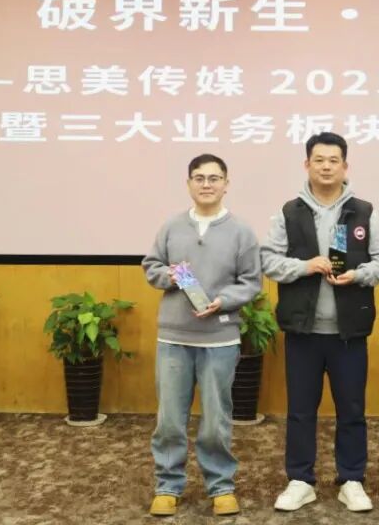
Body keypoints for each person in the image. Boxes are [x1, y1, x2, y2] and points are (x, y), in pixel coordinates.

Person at [260, 132, 379, 513]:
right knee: (301, 410)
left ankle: (351, 478)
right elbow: (268, 260)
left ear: (345, 166)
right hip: (303, 330)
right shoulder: (289, 212)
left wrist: (359, 275)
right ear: (307, 164)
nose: (326, 167)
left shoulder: (364, 212)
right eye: (318, 160)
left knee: (352, 409)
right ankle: (300, 480)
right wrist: (305, 266)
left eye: (334, 160)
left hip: (348, 332)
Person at [141, 154, 262, 518]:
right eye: (199, 178)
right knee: (169, 419)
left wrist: (224, 300)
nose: (206, 184)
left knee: (216, 420)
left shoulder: (241, 231)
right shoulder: (171, 226)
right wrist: (169, 276)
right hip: (174, 338)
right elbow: (151, 266)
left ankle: (221, 486)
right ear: (189, 183)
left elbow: (251, 282)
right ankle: (167, 486)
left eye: (214, 178)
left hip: (220, 338)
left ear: (226, 184)